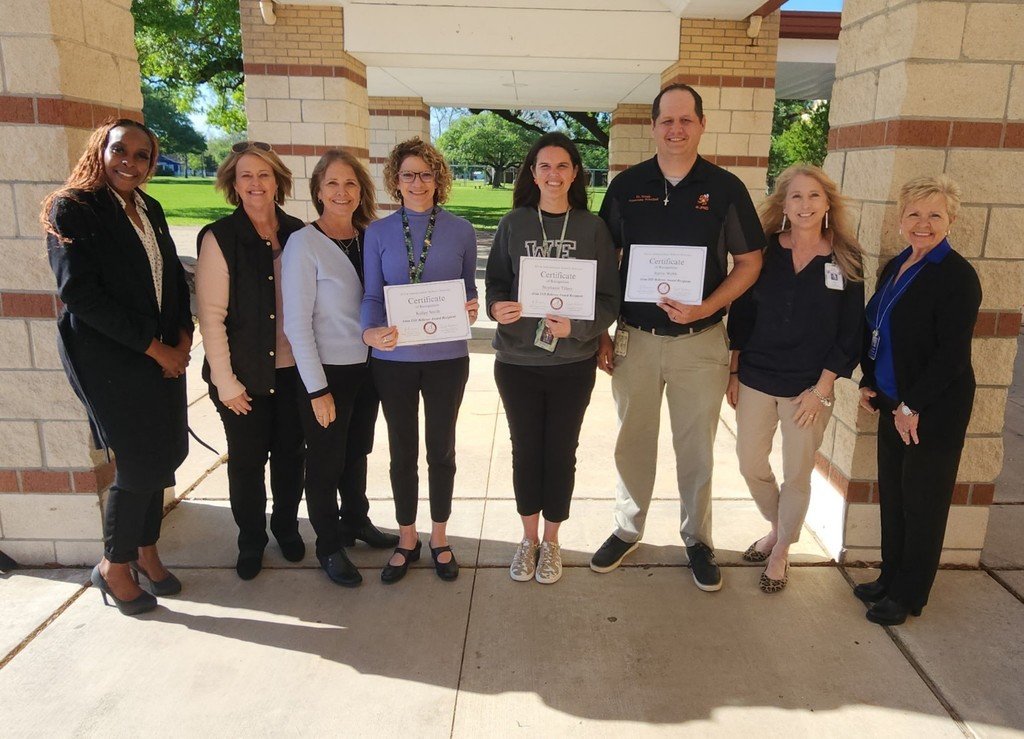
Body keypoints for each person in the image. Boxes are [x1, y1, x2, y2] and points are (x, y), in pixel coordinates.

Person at [590, 83, 765, 591]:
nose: (675, 129)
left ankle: (698, 539)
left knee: (697, 448)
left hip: (701, 341)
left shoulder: (726, 188)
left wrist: (708, 306)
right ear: (653, 127)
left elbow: (750, 262)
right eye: (666, 120)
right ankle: (627, 528)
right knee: (633, 441)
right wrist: (603, 330)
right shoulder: (627, 186)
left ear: (701, 124)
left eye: (685, 120)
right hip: (636, 339)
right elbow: (605, 262)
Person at [42, 118, 193, 615]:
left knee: (168, 450)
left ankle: (146, 550)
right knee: (138, 460)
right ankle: (113, 566)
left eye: (142, 155)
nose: (130, 161)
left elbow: (170, 274)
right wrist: (156, 349)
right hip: (109, 357)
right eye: (120, 150)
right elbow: (80, 294)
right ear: (100, 151)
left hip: (163, 349)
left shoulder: (148, 207)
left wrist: (183, 336)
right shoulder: (74, 208)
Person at [486, 133, 620, 585]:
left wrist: (578, 328)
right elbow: (497, 284)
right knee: (525, 450)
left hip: (571, 363)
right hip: (518, 360)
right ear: (532, 173)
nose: (553, 174)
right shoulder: (514, 223)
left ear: (575, 172)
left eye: (562, 166)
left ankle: (553, 541)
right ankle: (528, 540)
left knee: (561, 452)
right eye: (544, 166)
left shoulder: (592, 228)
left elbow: (608, 299)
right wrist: (496, 308)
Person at [726, 164, 864, 592]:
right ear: (783, 204)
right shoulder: (764, 252)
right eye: (796, 197)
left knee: (798, 474)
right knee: (751, 464)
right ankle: (778, 525)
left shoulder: (845, 258)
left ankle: (781, 548)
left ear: (828, 204)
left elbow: (850, 331)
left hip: (809, 386)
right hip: (755, 377)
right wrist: (733, 369)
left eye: (814, 197)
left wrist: (822, 390)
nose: (805, 205)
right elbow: (743, 314)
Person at [855, 175, 981, 625]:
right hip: (893, 403)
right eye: (914, 213)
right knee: (894, 495)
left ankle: (909, 595)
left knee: (923, 504)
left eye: (934, 215)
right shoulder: (897, 264)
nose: (922, 223)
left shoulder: (957, 277)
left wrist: (913, 406)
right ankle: (890, 578)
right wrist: (869, 382)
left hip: (932, 411)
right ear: (900, 217)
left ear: (951, 220)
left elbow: (951, 356)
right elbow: (879, 330)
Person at [361, 137, 478, 584]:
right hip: (393, 359)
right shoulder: (378, 232)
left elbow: (468, 289)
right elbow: (373, 295)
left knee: (441, 449)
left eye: (425, 174)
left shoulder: (461, 230)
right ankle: (407, 537)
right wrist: (370, 332)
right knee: (402, 450)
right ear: (395, 179)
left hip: (447, 357)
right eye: (407, 174)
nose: (416, 182)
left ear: (438, 179)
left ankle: (440, 536)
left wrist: (469, 305)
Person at [281, 150, 399, 587]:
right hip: (326, 372)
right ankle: (329, 545)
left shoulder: (370, 237)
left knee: (358, 452)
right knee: (326, 461)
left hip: (369, 368)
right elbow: (296, 322)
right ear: (317, 191)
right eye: (332, 183)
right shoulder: (304, 244)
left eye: (350, 184)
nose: (342, 192)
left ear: (361, 191)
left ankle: (356, 522)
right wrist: (316, 389)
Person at [195, 142, 306, 581]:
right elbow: (211, 316)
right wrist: (225, 381)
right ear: (233, 184)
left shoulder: (299, 232)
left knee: (290, 457)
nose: (256, 184)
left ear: (278, 180)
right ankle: (251, 539)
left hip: (295, 372)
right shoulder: (219, 237)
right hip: (241, 378)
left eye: (264, 175)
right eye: (246, 176)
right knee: (246, 462)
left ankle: (285, 527)